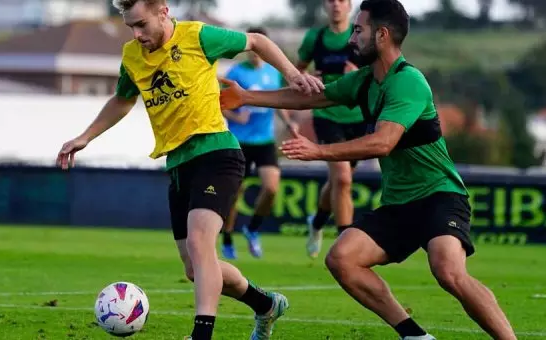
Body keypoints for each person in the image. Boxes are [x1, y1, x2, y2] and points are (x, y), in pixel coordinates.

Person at [218, 0, 517, 339]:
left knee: (448, 270)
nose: (351, 38)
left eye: (359, 30)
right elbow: (312, 99)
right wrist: (246, 97)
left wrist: (318, 151)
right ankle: (414, 334)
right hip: (398, 204)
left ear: (382, 35)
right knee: (342, 259)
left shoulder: (408, 82)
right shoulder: (364, 81)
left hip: (440, 196)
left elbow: (382, 143)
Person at [55, 1, 323, 339]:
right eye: (130, 27)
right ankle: (266, 305)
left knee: (201, 243)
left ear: (163, 11)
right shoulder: (132, 56)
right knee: (196, 269)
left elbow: (256, 41)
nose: (137, 34)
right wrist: (85, 137)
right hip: (178, 164)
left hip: (217, 153)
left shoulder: (197, 36)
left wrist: (295, 75)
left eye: (141, 24)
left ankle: (201, 334)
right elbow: (123, 100)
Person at [296, 0, 367, 259]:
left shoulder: (361, 36)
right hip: (326, 114)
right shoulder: (314, 38)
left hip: (359, 117)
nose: (336, 5)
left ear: (349, 6)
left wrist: (359, 73)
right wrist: (305, 79)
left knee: (338, 181)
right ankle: (345, 245)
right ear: (325, 6)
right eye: (331, 0)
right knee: (343, 179)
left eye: (341, 0)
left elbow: (380, 72)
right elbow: (295, 72)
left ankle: (316, 223)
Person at [220, 27, 298, 260]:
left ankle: (252, 228)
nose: (254, 53)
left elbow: (278, 101)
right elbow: (218, 103)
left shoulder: (273, 73)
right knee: (234, 194)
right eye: (250, 50)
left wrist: (288, 122)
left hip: (264, 140)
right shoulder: (235, 72)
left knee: (272, 188)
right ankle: (227, 238)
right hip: (239, 141)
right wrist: (236, 116)